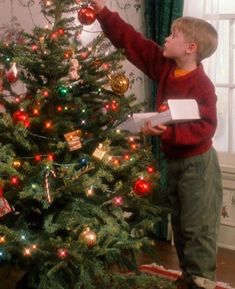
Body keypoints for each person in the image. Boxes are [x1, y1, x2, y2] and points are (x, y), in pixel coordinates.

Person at [91, 1, 223, 289]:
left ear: (191, 48)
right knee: (179, 223)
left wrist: (167, 133)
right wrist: (102, 11)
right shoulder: (165, 66)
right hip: (174, 160)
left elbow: (206, 127)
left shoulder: (201, 85)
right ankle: (188, 278)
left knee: (197, 227)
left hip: (198, 164)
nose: (166, 38)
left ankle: (201, 281)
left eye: (173, 36)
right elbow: (132, 41)